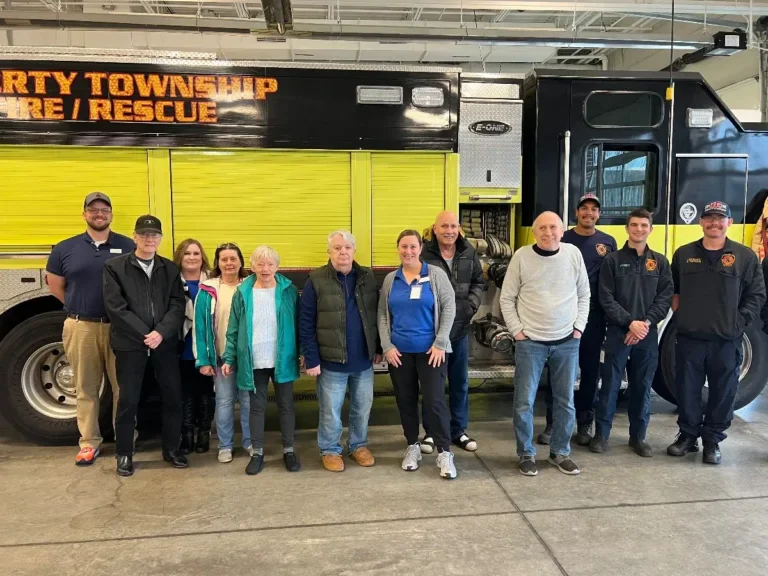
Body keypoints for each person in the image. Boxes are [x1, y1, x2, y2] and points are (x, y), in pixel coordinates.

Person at [667, 201, 766, 465]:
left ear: (729, 223)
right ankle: (687, 437)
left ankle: (712, 441)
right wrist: (683, 317)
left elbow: (756, 296)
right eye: (709, 217)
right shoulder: (684, 253)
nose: (714, 222)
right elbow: (672, 290)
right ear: (701, 222)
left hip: (726, 340)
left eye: (720, 218)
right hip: (690, 338)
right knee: (687, 390)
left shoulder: (745, 257)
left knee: (723, 392)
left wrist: (738, 323)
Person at [45, 192, 135, 466]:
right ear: (84, 214)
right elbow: (55, 283)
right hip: (81, 326)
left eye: (104, 209)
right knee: (86, 388)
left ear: (111, 214)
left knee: (123, 387)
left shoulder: (128, 245)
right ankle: (88, 443)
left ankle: (125, 439)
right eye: (93, 209)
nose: (99, 214)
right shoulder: (65, 248)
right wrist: (79, 307)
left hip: (119, 328)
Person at [500, 211, 590, 477]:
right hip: (530, 343)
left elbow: (584, 293)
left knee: (565, 401)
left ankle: (560, 453)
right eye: (542, 228)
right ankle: (526, 453)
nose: (548, 232)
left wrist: (578, 328)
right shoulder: (521, 256)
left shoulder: (573, 254)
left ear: (562, 231)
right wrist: (517, 331)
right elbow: (507, 298)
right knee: (524, 402)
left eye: (553, 227)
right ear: (534, 232)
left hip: (567, 342)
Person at [103, 215, 187, 477]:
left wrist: (160, 332)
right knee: (128, 399)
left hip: (164, 343)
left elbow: (177, 305)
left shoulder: (170, 269)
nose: (149, 239)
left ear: (160, 239)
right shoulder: (115, 267)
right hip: (130, 344)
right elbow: (116, 307)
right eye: (144, 234)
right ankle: (124, 454)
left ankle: (171, 449)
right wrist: (145, 334)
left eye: (154, 235)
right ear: (135, 237)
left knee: (172, 396)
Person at [592, 209, 673, 456]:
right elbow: (605, 297)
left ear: (651, 229)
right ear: (627, 229)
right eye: (634, 225)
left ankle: (638, 437)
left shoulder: (660, 262)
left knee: (642, 386)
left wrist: (645, 323)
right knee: (610, 385)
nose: (639, 229)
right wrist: (629, 323)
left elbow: (665, 297)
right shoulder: (612, 261)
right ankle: (601, 436)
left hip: (646, 335)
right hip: (617, 333)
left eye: (644, 225)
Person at [378, 230, 458, 480]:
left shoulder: (435, 275)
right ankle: (412, 446)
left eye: (413, 246)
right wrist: (387, 346)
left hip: (431, 352)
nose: (408, 251)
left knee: (434, 402)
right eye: (404, 247)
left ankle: (445, 452)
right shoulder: (392, 279)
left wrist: (440, 343)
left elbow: (449, 307)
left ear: (420, 248)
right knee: (405, 401)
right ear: (398, 248)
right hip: (400, 354)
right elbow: (382, 314)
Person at [539, 193, 617, 446]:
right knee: (558, 371)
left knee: (590, 371)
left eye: (594, 209)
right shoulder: (564, 238)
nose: (589, 213)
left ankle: (585, 420)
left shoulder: (608, 242)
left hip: (593, 318)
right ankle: (554, 423)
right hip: (563, 315)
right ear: (576, 212)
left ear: (599, 214)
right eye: (584, 208)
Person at [300, 231, 381, 472]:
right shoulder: (315, 279)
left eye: (347, 247)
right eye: (337, 248)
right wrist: (311, 358)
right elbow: (306, 321)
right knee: (330, 411)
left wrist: (376, 347)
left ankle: (357, 445)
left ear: (354, 251)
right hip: (330, 362)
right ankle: (330, 449)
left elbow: (375, 314)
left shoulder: (367, 276)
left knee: (362, 407)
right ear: (329, 252)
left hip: (363, 360)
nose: (342, 252)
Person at [222, 246, 301, 475]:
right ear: (252, 266)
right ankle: (257, 452)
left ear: (277, 266)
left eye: (270, 264)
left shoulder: (289, 291)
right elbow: (233, 328)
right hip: (253, 360)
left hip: (282, 357)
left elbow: (299, 324)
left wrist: (304, 353)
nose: (265, 269)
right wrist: (229, 358)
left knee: (286, 405)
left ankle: (288, 450)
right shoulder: (243, 292)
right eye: (260, 264)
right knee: (256, 408)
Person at [420, 211, 484, 454]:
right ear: (434, 229)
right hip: (432, 334)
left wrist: (471, 306)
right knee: (432, 385)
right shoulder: (424, 254)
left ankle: (458, 431)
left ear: (459, 229)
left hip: (459, 330)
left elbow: (479, 281)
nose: (449, 230)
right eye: (444, 226)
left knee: (460, 383)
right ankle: (431, 432)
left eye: (453, 226)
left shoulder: (468, 252)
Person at [193, 243, 248, 460]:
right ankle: (225, 445)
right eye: (224, 259)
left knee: (248, 401)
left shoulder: (249, 287)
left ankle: (250, 443)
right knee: (224, 401)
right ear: (217, 263)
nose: (229, 263)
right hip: (220, 357)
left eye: (233, 258)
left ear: (241, 261)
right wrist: (204, 360)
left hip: (246, 359)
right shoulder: (207, 289)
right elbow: (200, 327)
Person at [174, 239, 214, 455]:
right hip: (182, 344)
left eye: (196, 253)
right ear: (180, 257)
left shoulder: (213, 283)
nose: (191, 257)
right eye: (187, 253)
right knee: (186, 391)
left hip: (206, 345)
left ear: (202, 258)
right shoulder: (172, 281)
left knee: (206, 391)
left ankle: (204, 434)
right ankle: (187, 433)